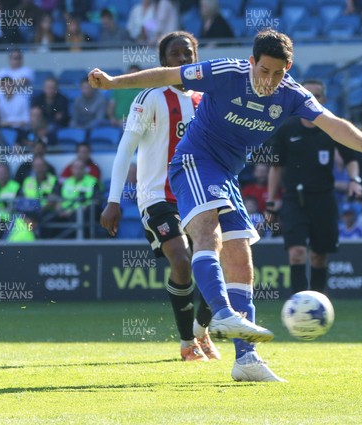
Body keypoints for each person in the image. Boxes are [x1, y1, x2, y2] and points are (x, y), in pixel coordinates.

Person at [88, 29, 362, 382]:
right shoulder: (226, 72)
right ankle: (220, 313)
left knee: (240, 256)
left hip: (226, 174)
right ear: (252, 62)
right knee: (209, 236)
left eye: (278, 73)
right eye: (264, 70)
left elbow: (333, 124)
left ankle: (247, 359)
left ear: (289, 68)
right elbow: (167, 75)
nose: (269, 80)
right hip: (192, 160)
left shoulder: (291, 94)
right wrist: (113, 83)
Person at [100, 31, 219, 362]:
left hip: (198, 195)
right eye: (176, 53)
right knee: (181, 262)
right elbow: (127, 147)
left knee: (216, 263)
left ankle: (201, 331)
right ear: (164, 61)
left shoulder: (206, 99)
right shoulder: (150, 96)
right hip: (156, 196)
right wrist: (113, 200)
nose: (183, 58)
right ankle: (187, 344)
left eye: (189, 53)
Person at [266, 79, 362, 294]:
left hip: (323, 199)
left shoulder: (333, 127)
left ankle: (319, 304)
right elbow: (276, 167)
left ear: (324, 100)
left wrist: (355, 181)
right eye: (306, 95)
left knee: (319, 256)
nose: (311, 99)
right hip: (294, 199)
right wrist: (271, 201)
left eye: (316, 96)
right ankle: (298, 304)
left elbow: (351, 158)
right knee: (297, 252)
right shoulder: (286, 128)